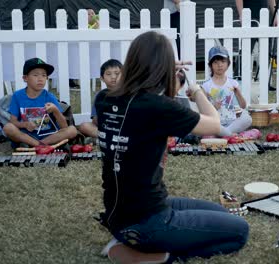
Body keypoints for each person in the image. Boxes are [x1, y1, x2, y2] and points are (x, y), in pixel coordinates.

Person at [95, 31, 249, 263]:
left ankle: (126, 238)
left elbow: (138, 92)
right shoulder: (159, 107)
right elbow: (215, 122)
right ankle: (153, 254)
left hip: (119, 213)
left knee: (222, 213)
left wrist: (159, 69)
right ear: (164, 67)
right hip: (149, 220)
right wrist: (196, 91)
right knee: (239, 231)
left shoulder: (106, 98)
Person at [3, 58, 77, 147]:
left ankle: (39, 145)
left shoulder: (49, 96)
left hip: (49, 135)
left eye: (43, 75)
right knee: (8, 127)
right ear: (25, 78)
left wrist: (56, 110)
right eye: (35, 75)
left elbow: (64, 127)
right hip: (27, 135)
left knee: (72, 130)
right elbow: (13, 122)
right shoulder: (18, 96)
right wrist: (25, 124)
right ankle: (39, 145)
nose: (40, 79)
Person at [201, 46, 255, 137]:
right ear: (210, 65)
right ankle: (228, 134)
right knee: (205, 127)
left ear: (228, 64)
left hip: (231, 122)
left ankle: (224, 133)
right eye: (216, 62)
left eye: (223, 61)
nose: (220, 65)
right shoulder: (206, 86)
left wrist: (238, 93)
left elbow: (243, 106)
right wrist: (213, 107)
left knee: (247, 119)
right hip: (215, 123)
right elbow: (204, 111)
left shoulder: (233, 83)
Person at [78, 59, 122, 138]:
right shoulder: (100, 96)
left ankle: (108, 138)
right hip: (106, 127)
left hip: (124, 128)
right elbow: (95, 121)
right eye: (108, 74)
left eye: (117, 73)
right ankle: (110, 137)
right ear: (102, 78)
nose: (113, 77)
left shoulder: (128, 93)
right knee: (84, 126)